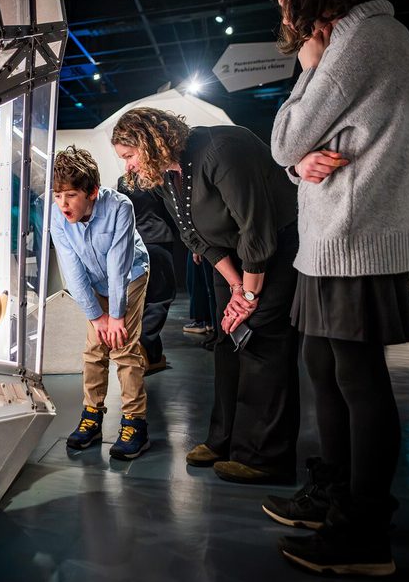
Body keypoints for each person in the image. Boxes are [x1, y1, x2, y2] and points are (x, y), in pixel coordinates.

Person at [263, 0, 409, 577]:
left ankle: (363, 531)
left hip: (351, 239)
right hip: (342, 236)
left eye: (286, 2)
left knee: (357, 381)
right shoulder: (385, 38)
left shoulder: (354, 44)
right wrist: (303, 163)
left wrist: (307, 66)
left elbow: (283, 138)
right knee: (329, 369)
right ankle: (336, 496)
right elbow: (305, 153)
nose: (286, 17)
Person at [112, 107, 300, 485]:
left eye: (129, 157)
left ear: (150, 142)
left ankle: (266, 457)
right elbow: (191, 234)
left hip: (272, 251)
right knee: (227, 344)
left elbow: (256, 226)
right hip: (230, 260)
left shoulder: (221, 150)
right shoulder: (164, 175)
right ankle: (225, 439)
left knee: (261, 344)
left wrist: (246, 294)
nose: (128, 169)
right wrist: (233, 285)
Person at [49, 146, 151, 460]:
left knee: (121, 345)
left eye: (70, 195)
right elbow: (72, 270)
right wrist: (97, 317)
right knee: (94, 350)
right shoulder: (56, 214)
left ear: (92, 191)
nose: (63, 204)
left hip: (129, 276)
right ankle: (92, 417)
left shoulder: (120, 207)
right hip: (93, 283)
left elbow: (118, 266)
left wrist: (116, 317)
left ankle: (135, 421)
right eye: (57, 195)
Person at [117, 174, 176, 373]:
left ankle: (153, 355)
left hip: (135, 243)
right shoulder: (158, 179)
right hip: (158, 239)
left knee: (143, 298)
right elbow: (171, 210)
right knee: (161, 297)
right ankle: (142, 344)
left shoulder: (123, 181)